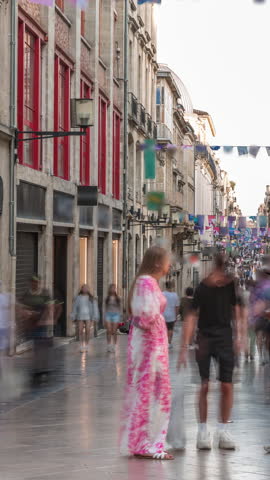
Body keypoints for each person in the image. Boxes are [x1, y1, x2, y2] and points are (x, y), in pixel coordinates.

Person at [178, 254, 241, 451]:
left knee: (226, 386)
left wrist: (240, 336)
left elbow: (237, 311)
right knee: (204, 385)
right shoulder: (202, 288)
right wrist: (183, 347)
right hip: (204, 338)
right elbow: (192, 316)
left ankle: (222, 429)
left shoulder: (231, 286)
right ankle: (202, 430)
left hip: (224, 339)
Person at [120, 246, 173, 460]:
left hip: (152, 347)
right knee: (154, 393)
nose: (170, 265)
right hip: (150, 348)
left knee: (151, 393)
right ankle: (147, 445)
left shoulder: (147, 282)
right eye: (167, 260)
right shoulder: (146, 282)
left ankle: (145, 443)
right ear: (158, 262)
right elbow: (145, 317)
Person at [19, 275, 54, 385]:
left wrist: (45, 320)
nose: (34, 284)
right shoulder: (27, 294)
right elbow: (20, 306)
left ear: (39, 282)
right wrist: (25, 314)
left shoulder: (44, 293)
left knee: (41, 347)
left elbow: (49, 308)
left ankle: (43, 368)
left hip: (42, 323)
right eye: (33, 282)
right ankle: (37, 369)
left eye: (36, 282)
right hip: (31, 323)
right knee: (35, 347)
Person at [71, 284, 99, 353]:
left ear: (88, 289)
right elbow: (75, 307)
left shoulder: (91, 298)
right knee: (80, 331)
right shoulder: (78, 298)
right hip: (80, 316)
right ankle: (81, 345)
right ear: (82, 289)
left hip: (88, 316)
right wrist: (73, 316)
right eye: (84, 288)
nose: (85, 289)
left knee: (87, 331)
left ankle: (86, 345)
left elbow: (95, 307)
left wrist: (95, 316)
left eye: (86, 288)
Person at [162, 280, 180, 349]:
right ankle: (169, 343)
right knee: (170, 329)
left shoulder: (162, 294)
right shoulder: (175, 295)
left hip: (163, 314)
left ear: (166, 286)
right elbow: (177, 307)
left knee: (164, 329)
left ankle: (164, 342)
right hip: (172, 315)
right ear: (172, 287)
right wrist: (176, 315)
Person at [104, 284, 121, 352]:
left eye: (114, 288)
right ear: (109, 289)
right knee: (109, 330)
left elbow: (120, 308)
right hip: (108, 314)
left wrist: (120, 317)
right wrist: (104, 317)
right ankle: (109, 345)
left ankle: (114, 345)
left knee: (114, 331)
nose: (113, 289)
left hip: (116, 315)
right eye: (112, 288)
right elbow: (104, 307)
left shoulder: (118, 298)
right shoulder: (107, 298)